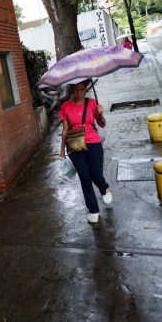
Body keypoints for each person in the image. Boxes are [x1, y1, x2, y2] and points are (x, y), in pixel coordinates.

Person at [60, 80, 112, 223]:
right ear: (71, 90)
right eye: (75, 90)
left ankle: (104, 187)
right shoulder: (65, 107)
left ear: (86, 89)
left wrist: (101, 113)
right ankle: (93, 210)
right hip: (74, 146)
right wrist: (62, 151)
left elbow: (101, 125)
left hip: (93, 143)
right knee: (85, 178)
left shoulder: (92, 103)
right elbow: (65, 130)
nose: (79, 93)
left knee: (96, 175)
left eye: (81, 89)